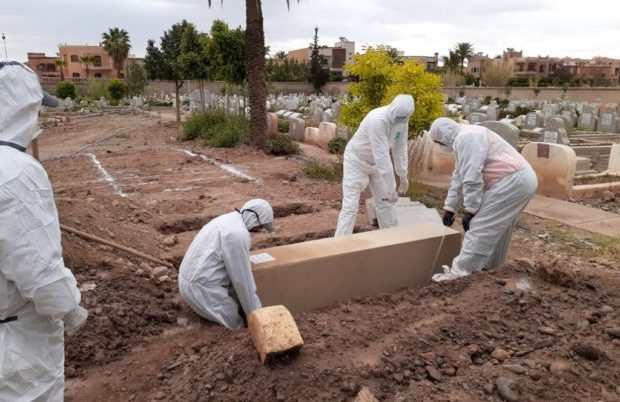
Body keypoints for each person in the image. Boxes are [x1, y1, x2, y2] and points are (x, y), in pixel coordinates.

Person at [0, 61, 88, 401]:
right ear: (23, 108)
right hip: (17, 347)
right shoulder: (17, 174)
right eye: (37, 107)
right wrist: (72, 310)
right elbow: (39, 271)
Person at [429, 117, 538, 282]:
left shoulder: (467, 137)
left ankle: (461, 274)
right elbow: (459, 175)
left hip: (512, 180)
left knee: (480, 226)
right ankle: (491, 268)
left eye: (439, 142)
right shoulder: (465, 136)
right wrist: (450, 207)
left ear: (444, 135)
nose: (441, 145)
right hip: (521, 179)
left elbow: (471, 177)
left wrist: (470, 209)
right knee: (499, 227)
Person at [178, 199, 274, 329]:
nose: (260, 229)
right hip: (203, 291)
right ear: (253, 218)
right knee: (236, 327)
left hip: (188, 281)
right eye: (260, 225)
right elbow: (242, 282)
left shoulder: (229, 219)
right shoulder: (237, 235)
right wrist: (258, 315)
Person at [334, 94, 415, 236]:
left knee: (385, 203)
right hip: (357, 161)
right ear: (393, 109)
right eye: (400, 117)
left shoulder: (403, 121)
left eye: (404, 118)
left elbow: (400, 148)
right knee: (350, 205)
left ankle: (389, 239)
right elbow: (382, 156)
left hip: (377, 166)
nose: (401, 120)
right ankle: (340, 242)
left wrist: (403, 175)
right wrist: (392, 188)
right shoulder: (377, 119)